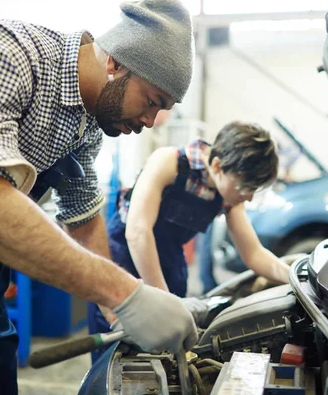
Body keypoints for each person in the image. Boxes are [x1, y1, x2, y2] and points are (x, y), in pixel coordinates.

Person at [0, 0, 198, 393]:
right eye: (153, 102)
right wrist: (127, 293)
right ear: (115, 63)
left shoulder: (87, 121)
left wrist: (118, 311)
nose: (149, 122)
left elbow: (83, 218)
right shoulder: (1, 51)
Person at [88, 121, 293, 361]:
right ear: (217, 165)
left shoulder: (228, 195)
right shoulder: (169, 162)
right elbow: (138, 232)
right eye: (245, 187)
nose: (247, 197)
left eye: (253, 190)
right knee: (116, 353)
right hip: (123, 261)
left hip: (169, 264)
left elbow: (254, 254)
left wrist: (297, 278)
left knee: (167, 355)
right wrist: (164, 304)